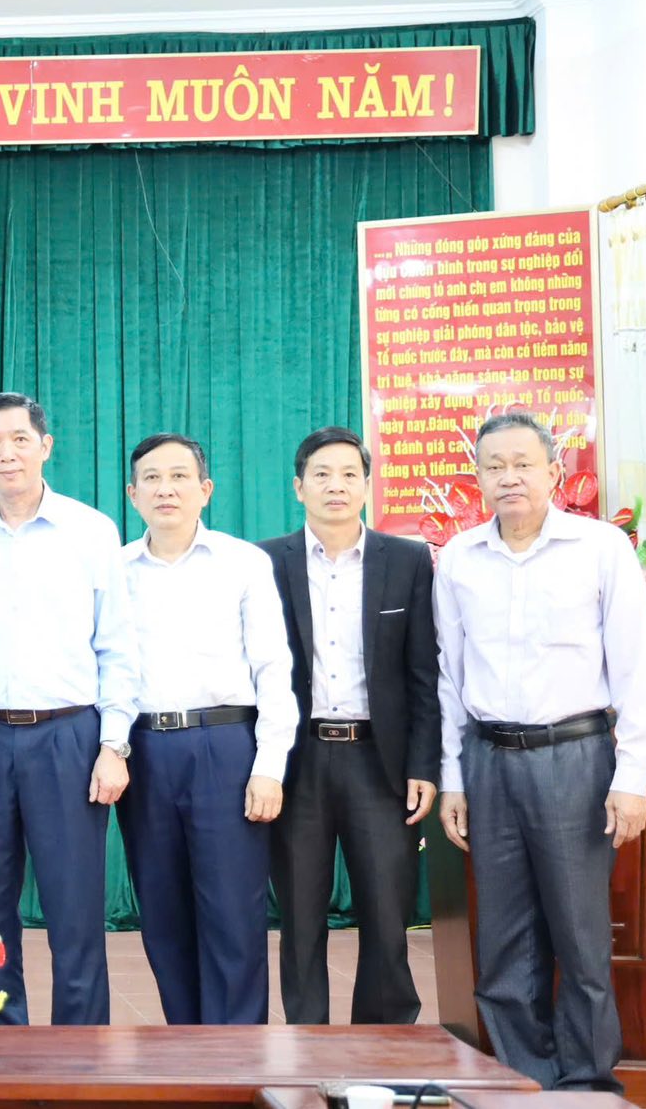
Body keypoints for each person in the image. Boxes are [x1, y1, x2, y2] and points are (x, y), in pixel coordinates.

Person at [435, 412, 646, 1091]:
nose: (509, 477)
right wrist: (453, 778)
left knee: (579, 935)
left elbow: (634, 669)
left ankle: (587, 1084)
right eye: (494, 466)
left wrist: (633, 775)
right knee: (503, 939)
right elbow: (450, 676)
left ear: (554, 473)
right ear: (478, 478)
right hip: (488, 759)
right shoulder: (460, 559)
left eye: (523, 464)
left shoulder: (599, 548)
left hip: (575, 758)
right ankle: (521, 1083)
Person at [0, 393, 140, 1026]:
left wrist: (114, 744)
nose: (7, 453)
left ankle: (81, 1048)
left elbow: (117, 646)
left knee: (75, 905)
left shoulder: (92, 530)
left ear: (45, 446)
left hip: (68, 736)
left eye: (20, 439)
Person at [260, 427, 439, 1026]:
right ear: (298, 487)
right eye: (321, 474)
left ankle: (385, 1042)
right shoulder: (266, 562)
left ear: (366, 484)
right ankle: (306, 1042)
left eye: (348, 474)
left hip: (379, 761)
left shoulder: (407, 560)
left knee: (387, 912)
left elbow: (424, 673)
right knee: (299, 916)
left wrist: (423, 765)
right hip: (299, 759)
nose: (335, 486)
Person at [118, 433, 296, 1025]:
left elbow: (273, 668)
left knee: (232, 912)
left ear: (205, 489)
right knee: (162, 912)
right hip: (144, 750)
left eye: (179, 476)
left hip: (225, 747)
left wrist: (269, 766)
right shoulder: (115, 570)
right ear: (133, 494)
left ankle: (239, 1055)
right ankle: (186, 1047)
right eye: (151, 478)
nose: (165, 489)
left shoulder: (243, 562)